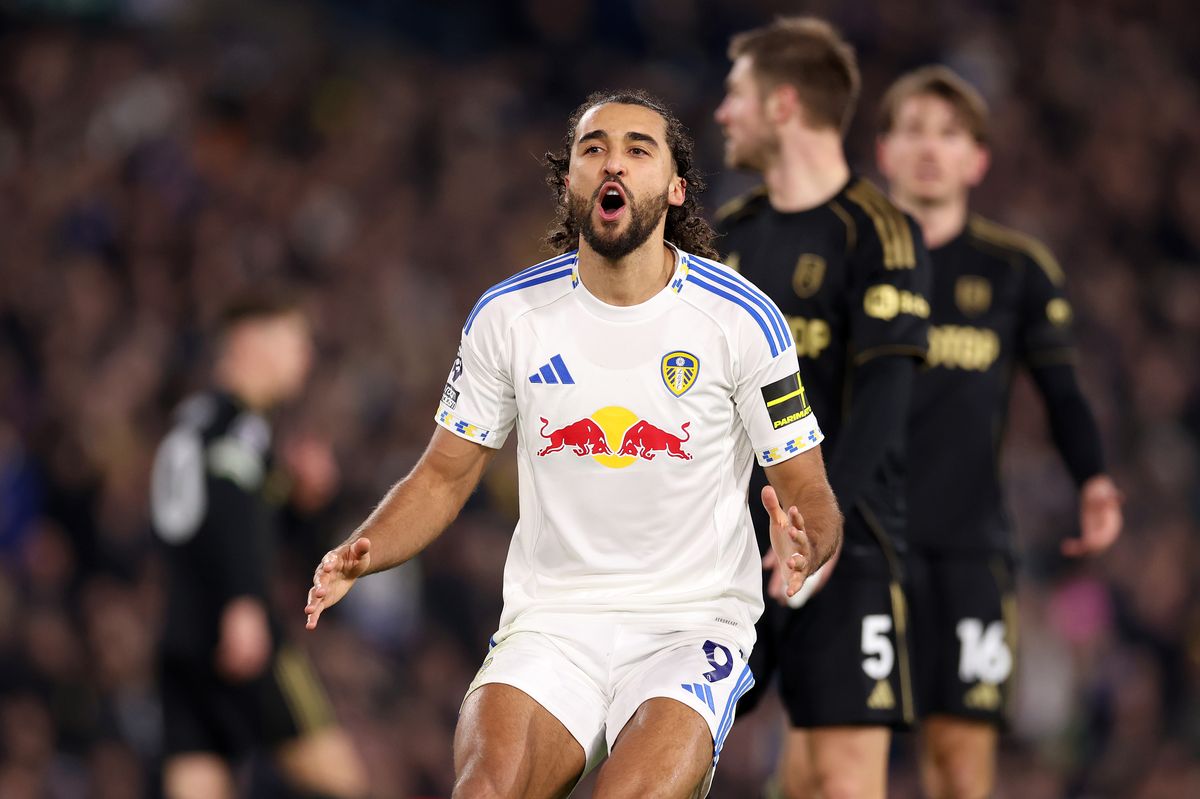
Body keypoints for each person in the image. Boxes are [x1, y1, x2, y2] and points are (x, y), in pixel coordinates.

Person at [304, 89, 842, 799]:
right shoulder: (509, 317)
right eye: (594, 149)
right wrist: (365, 549)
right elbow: (443, 476)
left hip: (689, 625)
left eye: (637, 149)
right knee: (485, 789)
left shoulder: (741, 321)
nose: (613, 162)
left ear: (676, 187)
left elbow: (807, 486)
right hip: (553, 622)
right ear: (568, 184)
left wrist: (808, 541)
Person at [876, 65, 1124, 798]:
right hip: (861, 548)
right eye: (914, 130)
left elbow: (1062, 390)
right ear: (885, 151)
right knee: (832, 763)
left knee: (961, 763)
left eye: (950, 134)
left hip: (969, 553)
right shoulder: (841, 264)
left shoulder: (1016, 271)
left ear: (978, 160)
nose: (931, 149)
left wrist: (1094, 479)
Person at [713, 17, 933, 799]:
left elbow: (885, 396)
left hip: (848, 549)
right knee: (663, 756)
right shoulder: (726, 238)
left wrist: (818, 526)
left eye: (737, 94)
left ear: (783, 104)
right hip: (728, 554)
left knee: (834, 775)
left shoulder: (879, 233)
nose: (721, 113)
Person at [150, 296, 368, 799]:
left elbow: (222, 523)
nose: (305, 357)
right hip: (239, 627)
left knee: (197, 781)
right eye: (295, 340)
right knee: (342, 782)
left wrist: (302, 504)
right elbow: (229, 509)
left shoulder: (192, 421)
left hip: (182, 632)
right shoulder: (242, 427)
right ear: (250, 342)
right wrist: (244, 600)